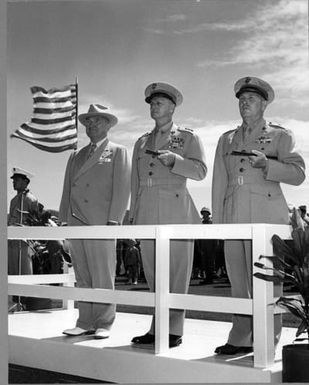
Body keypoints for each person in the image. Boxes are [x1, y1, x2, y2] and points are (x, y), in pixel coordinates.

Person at [212, 76, 306, 355]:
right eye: (241, 99)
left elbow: (299, 174)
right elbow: (218, 182)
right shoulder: (225, 138)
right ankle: (240, 337)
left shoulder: (280, 135)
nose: (244, 103)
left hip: (266, 218)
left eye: (251, 99)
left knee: (268, 285)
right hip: (233, 215)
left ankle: (267, 340)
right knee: (239, 281)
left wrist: (269, 165)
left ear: (264, 104)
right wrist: (219, 224)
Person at [129, 82, 207, 347]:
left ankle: (173, 330)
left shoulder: (187, 138)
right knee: (153, 274)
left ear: (173, 107)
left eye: (160, 102)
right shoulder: (141, 141)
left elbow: (200, 171)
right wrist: (134, 216)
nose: (154, 106)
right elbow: (134, 182)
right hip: (148, 211)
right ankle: (156, 327)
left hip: (176, 211)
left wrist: (175, 161)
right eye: (152, 102)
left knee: (175, 273)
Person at [59, 104, 130, 339]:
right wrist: (63, 223)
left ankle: (104, 322)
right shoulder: (75, 155)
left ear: (108, 124)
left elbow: (122, 189)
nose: (91, 125)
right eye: (88, 122)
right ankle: (85, 320)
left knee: (102, 275)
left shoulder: (117, 151)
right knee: (83, 275)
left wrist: (113, 222)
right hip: (77, 221)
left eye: (97, 121)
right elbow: (67, 191)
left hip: (101, 223)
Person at [8, 167, 39, 312]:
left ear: (25, 182)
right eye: (13, 180)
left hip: (24, 242)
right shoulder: (14, 200)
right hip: (12, 241)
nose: (14, 183)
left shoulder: (31, 199)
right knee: (13, 271)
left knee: (25, 271)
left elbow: (37, 221)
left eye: (17, 180)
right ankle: (16, 302)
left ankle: (27, 303)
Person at [198, 207, 217, 285]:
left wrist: (216, 245)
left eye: (205, 213)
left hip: (210, 246)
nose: (204, 214)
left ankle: (210, 278)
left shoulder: (211, 223)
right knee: (205, 263)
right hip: (203, 246)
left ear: (208, 214)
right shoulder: (201, 224)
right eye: (203, 213)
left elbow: (215, 235)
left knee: (210, 263)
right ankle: (207, 278)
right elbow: (199, 236)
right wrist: (199, 246)